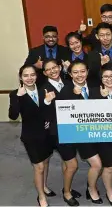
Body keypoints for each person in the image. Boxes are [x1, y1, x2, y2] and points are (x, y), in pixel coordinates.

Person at [57, 61, 104, 205]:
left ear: (87, 72)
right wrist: (73, 97)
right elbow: (61, 114)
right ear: (70, 74)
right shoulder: (65, 90)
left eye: (82, 71)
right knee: (73, 165)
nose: (79, 75)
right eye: (75, 72)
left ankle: (91, 188)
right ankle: (66, 192)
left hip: (89, 134)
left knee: (97, 165)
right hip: (72, 135)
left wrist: (104, 96)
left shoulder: (96, 88)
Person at [9, 65, 54, 207]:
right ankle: (41, 196)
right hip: (30, 136)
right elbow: (13, 116)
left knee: (46, 161)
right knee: (39, 167)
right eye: (26, 75)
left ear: (36, 76)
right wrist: (18, 98)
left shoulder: (43, 91)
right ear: (21, 77)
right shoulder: (15, 93)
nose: (29, 78)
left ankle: (44, 186)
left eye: (32, 75)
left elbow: (46, 113)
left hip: (45, 134)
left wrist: (47, 102)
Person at [41, 59, 81, 206]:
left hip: (72, 128)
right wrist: (46, 102)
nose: (52, 71)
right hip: (57, 132)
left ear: (59, 67)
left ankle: (67, 186)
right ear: (44, 73)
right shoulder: (43, 89)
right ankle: (67, 193)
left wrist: (77, 94)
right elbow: (42, 113)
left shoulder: (69, 83)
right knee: (73, 164)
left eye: (54, 67)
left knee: (66, 163)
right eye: (48, 69)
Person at [89, 63, 112, 206]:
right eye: (105, 76)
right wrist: (102, 98)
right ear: (101, 78)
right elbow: (91, 115)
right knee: (109, 165)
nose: (109, 79)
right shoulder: (94, 92)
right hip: (104, 135)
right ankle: (109, 191)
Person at [88, 23, 112, 87]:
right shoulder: (92, 54)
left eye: (108, 34)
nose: (105, 38)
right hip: (101, 89)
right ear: (97, 36)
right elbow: (92, 76)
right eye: (102, 35)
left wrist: (109, 64)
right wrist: (102, 66)